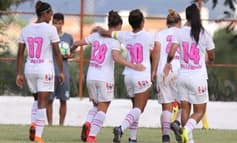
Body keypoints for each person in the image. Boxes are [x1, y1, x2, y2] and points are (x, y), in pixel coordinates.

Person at [72, 10, 145, 143]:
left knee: (96, 105)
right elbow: (116, 58)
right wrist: (133, 65)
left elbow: (77, 44)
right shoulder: (114, 40)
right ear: (119, 26)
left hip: (90, 76)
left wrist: (70, 52)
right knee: (103, 108)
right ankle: (92, 136)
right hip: (104, 77)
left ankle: (88, 123)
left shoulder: (95, 36)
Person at [99, 9, 154, 143]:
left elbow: (108, 33)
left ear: (130, 23)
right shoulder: (148, 36)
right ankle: (121, 128)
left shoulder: (124, 35)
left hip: (128, 75)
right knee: (139, 109)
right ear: (142, 22)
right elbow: (154, 53)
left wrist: (98, 30)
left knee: (134, 108)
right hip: (142, 74)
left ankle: (133, 138)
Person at [164, 3, 215, 143]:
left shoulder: (180, 32)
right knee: (200, 111)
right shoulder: (204, 33)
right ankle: (186, 131)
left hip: (182, 77)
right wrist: (209, 61)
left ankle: (189, 140)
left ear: (186, 17)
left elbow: (172, 52)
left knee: (185, 110)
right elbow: (211, 56)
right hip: (197, 77)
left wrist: (168, 63)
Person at [16, 1, 64, 143]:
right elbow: (57, 52)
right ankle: (37, 135)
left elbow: (19, 53)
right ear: (46, 14)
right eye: (51, 13)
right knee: (43, 102)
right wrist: (61, 71)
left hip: (29, 68)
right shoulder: (51, 30)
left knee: (37, 100)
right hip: (44, 69)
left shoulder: (25, 29)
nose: (51, 16)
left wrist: (19, 73)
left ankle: (33, 124)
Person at [153, 9, 182, 143]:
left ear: (167, 23)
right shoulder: (182, 33)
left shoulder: (160, 34)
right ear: (179, 22)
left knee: (166, 107)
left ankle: (165, 137)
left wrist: (153, 72)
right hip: (178, 70)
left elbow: (156, 53)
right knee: (186, 104)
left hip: (162, 71)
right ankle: (177, 122)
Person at [46, 13, 73, 126]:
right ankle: (50, 124)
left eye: (59, 23)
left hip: (64, 73)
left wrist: (68, 56)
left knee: (63, 100)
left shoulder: (68, 37)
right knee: (49, 100)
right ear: (52, 23)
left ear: (62, 23)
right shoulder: (48, 36)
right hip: (50, 71)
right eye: (55, 23)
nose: (57, 25)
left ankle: (61, 124)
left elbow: (72, 53)